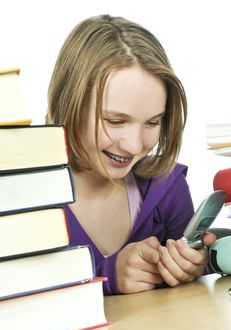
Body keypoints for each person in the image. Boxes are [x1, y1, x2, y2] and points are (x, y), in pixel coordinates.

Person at [46, 14, 216, 295]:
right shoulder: (23, 196)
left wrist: (194, 268)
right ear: (70, 104)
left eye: (152, 122)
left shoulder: (166, 188)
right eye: (115, 121)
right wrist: (107, 276)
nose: (135, 146)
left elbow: (192, 301)